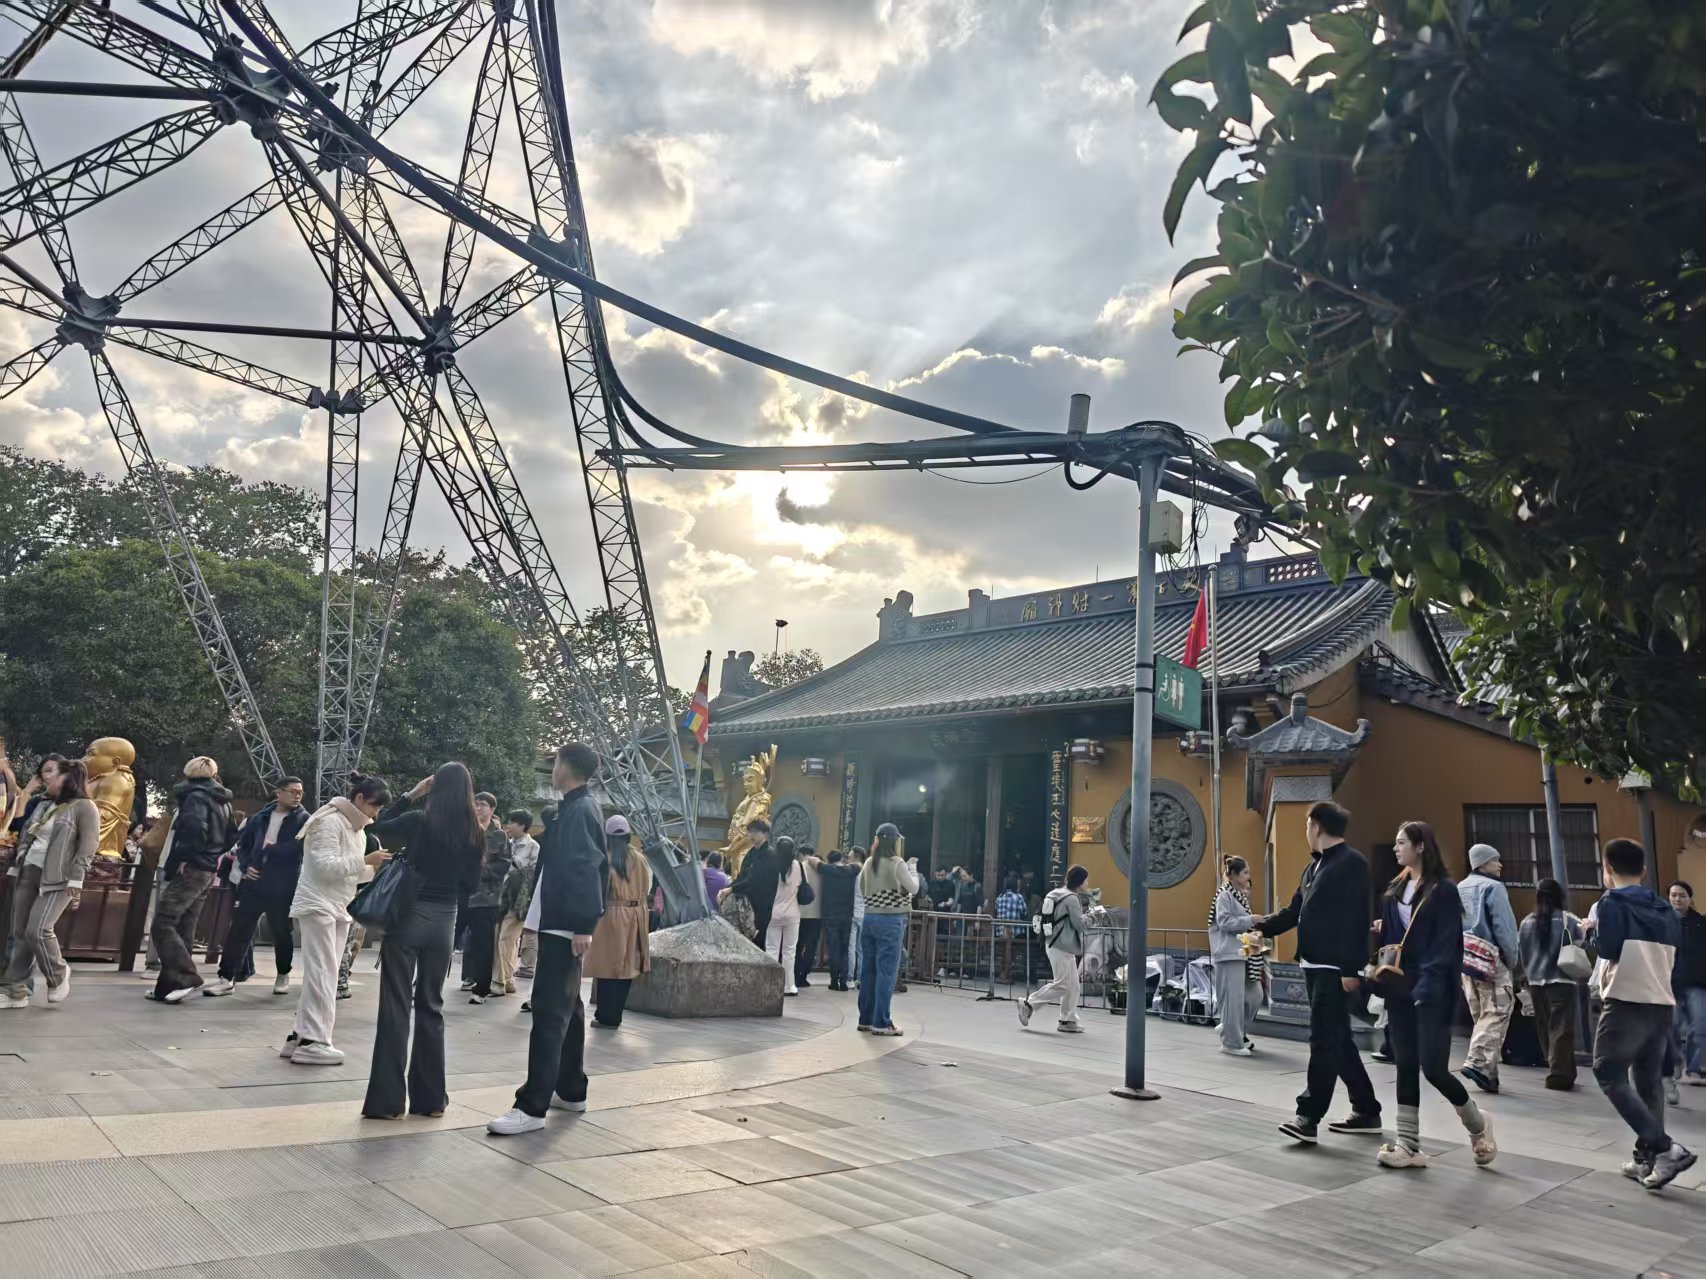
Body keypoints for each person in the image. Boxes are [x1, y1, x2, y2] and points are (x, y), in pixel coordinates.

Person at [488, 743, 607, 1137]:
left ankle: (532, 1106)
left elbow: (588, 868)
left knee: (549, 1012)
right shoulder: (575, 808)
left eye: (555, 761)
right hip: (560, 921)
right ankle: (570, 1089)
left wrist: (583, 924)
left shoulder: (580, 810)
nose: (552, 768)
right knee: (569, 1008)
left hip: (566, 924)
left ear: (567, 766)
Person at [1367, 821, 1495, 1170]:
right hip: (1399, 987)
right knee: (1405, 1063)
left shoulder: (1443, 891)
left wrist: (1430, 982)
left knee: (1434, 1068)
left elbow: (1446, 943)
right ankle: (1408, 1144)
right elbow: (1393, 937)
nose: (1396, 848)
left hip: (1433, 990)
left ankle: (1477, 1124)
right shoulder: (1395, 888)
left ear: (1421, 846)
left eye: (1402, 842)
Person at [361, 761, 483, 1120]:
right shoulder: (475, 833)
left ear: (435, 788)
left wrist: (411, 794)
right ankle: (429, 1101)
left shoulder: (418, 821)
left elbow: (376, 825)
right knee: (431, 1006)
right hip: (444, 924)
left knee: (396, 1007)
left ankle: (387, 1104)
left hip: (409, 918)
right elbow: (471, 886)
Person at [1257, 801, 1381, 1144]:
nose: (1306, 833)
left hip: (1334, 968)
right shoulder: (1314, 868)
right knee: (1338, 1040)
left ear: (1317, 826)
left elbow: (1357, 918)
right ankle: (1366, 1109)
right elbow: (1295, 910)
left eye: (1307, 826)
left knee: (1324, 1039)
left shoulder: (1352, 863)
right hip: (1312, 964)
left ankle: (1309, 1116)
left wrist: (1351, 969)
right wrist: (1262, 927)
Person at [1591, 837, 1695, 1190]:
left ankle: (1666, 1149)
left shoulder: (1611, 902)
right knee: (1648, 1081)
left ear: (1607, 869)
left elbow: (1609, 949)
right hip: (1660, 1000)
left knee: (1607, 1071)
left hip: (1626, 998)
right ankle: (1646, 1161)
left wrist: (1590, 933)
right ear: (1644, 870)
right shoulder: (1665, 908)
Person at [279, 775, 391, 1064]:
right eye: (374, 806)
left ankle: (301, 1036)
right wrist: (366, 861)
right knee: (322, 974)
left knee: (323, 973)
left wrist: (374, 869)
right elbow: (323, 866)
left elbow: (348, 874)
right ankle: (313, 1041)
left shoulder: (357, 830)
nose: (375, 813)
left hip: (338, 906)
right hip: (318, 905)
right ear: (359, 799)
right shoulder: (328, 820)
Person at [0, 757, 99, 1009]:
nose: (46, 777)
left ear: (67, 777)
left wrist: (76, 879)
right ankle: (14, 990)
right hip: (28, 871)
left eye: (51, 772)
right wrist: (17, 865)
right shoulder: (44, 804)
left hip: (59, 878)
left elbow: (88, 846)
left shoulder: (84, 807)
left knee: (38, 930)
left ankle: (58, 973)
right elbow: (26, 834)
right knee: (19, 934)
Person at [205, 777, 309, 998]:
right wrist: (246, 866)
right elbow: (244, 845)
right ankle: (227, 977)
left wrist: (271, 849)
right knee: (239, 929)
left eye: (300, 792)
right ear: (279, 793)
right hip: (253, 881)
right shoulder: (259, 817)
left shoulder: (304, 819)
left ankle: (283, 973)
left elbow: (299, 849)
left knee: (281, 932)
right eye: (292, 791)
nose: (297, 796)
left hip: (283, 884)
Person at [151, 758, 237, 1004]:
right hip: (207, 869)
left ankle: (187, 977)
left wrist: (185, 858)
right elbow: (232, 835)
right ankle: (168, 986)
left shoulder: (194, 797)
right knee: (184, 925)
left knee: (163, 923)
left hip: (190, 867)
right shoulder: (224, 801)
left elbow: (192, 830)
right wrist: (211, 856)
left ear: (188, 772)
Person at [1457, 841, 1520, 1094]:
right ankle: (1477, 1062)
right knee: (1498, 1011)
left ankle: (1489, 1075)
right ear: (1483, 863)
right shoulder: (1493, 887)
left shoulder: (1460, 887)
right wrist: (1511, 959)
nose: (1500, 864)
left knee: (1480, 1014)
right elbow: (1504, 927)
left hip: (1465, 959)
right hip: (1491, 958)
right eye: (1495, 860)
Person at [1519, 877, 1587, 1090]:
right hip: (1562, 980)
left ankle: (1564, 1070)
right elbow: (1581, 944)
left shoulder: (1526, 922)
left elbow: (1523, 954)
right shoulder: (1568, 920)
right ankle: (1558, 1074)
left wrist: (1528, 975)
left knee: (1546, 1027)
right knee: (1562, 1029)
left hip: (1536, 982)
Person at [585, 815, 649, 1028]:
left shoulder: (606, 858)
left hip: (613, 914)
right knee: (627, 968)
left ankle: (606, 1016)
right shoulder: (640, 858)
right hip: (637, 915)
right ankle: (615, 1015)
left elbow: (598, 889)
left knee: (608, 967)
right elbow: (646, 887)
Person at [856, 824, 917, 1036]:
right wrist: (913, 869)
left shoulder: (868, 863)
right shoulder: (897, 863)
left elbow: (862, 889)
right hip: (891, 920)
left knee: (868, 970)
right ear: (895, 841)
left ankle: (865, 1019)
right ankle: (881, 1022)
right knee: (886, 972)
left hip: (869, 918)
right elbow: (914, 888)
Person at [1018, 865, 1091, 1033]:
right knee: (1063, 984)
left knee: (1073, 986)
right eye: (1086, 880)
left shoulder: (1056, 893)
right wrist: (1093, 917)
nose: (1087, 883)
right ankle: (1029, 1004)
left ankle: (1067, 1020)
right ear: (1079, 882)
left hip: (1056, 943)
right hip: (1062, 945)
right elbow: (1080, 925)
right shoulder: (1072, 898)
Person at [1209, 856, 1264, 1056]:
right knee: (1233, 998)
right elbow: (1224, 922)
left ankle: (1230, 1027)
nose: (1248, 876)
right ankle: (1231, 1042)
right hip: (1228, 953)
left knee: (1255, 995)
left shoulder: (1238, 896)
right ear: (1233, 875)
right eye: (1245, 872)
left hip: (1244, 953)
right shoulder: (1224, 895)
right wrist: (1250, 919)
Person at [462, 807, 514, 1004]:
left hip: (486, 898)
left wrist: (477, 869)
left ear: (492, 809)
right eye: (475, 802)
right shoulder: (465, 830)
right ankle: (429, 985)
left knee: (483, 944)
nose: (478, 807)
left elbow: (503, 865)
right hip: (461, 894)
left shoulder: (499, 836)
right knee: (446, 940)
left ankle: (481, 989)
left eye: (483, 803)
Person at [495, 810, 539, 996]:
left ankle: (499, 982)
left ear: (522, 825)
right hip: (501, 896)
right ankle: (507, 980)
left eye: (513, 822)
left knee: (506, 938)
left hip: (519, 899)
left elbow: (533, 875)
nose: (509, 826)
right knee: (506, 940)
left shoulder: (533, 846)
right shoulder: (507, 842)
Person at [1668, 881, 1706, 1087]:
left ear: (1690, 899)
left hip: (1697, 983)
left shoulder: (1701, 923)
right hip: (1668, 983)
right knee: (1672, 1028)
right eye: (1673, 895)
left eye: (1682, 895)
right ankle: (1674, 1066)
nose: (1677, 899)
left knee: (1699, 1027)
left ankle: (1693, 1069)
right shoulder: (1662, 922)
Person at [724, 818, 779, 948]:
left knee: (759, 943)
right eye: (750, 831)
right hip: (747, 905)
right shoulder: (751, 853)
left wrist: (731, 890)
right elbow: (742, 876)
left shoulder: (770, 854)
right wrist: (728, 889)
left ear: (765, 833)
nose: (751, 835)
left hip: (762, 907)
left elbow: (754, 879)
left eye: (755, 831)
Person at [817, 850, 859, 991]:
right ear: (841, 858)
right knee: (844, 949)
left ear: (829, 860)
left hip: (830, 915)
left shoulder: (827, 870)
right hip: (847, 915)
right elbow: (858, 865)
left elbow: (813, 861)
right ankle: (844, 981)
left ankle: (834, 980)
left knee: (833, 949)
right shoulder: (852, 870)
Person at [794, 844, 823, 989]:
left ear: (800, 854)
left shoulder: (798, 867)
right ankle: (803, 976)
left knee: (797, 945)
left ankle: (796, 974)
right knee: (811, 947)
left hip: (800, 912)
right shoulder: (821, 868)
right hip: (817, 913)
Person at [849, 846, 867, 985]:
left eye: (850, 853)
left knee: (851, 947)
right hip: (865, 913)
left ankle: (849, 977)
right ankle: (860, 978)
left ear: (857, 856)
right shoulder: (867, 871)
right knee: (861, 949)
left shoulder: (852, 870)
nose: (848, 855)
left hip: (853, 911)